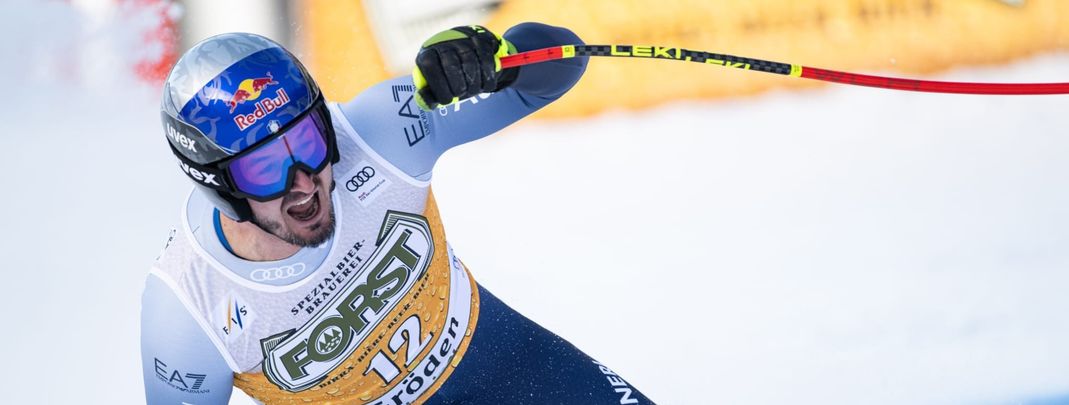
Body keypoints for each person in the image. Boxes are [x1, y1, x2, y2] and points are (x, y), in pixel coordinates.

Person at [141, 22, 654, 404]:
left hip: (515, 371)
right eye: (264, 169)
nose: (301, 182)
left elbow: (560, 69)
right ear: (217, 184)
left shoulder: (376, 132)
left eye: (307, 140)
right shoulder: (188, 311)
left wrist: (497, 54)